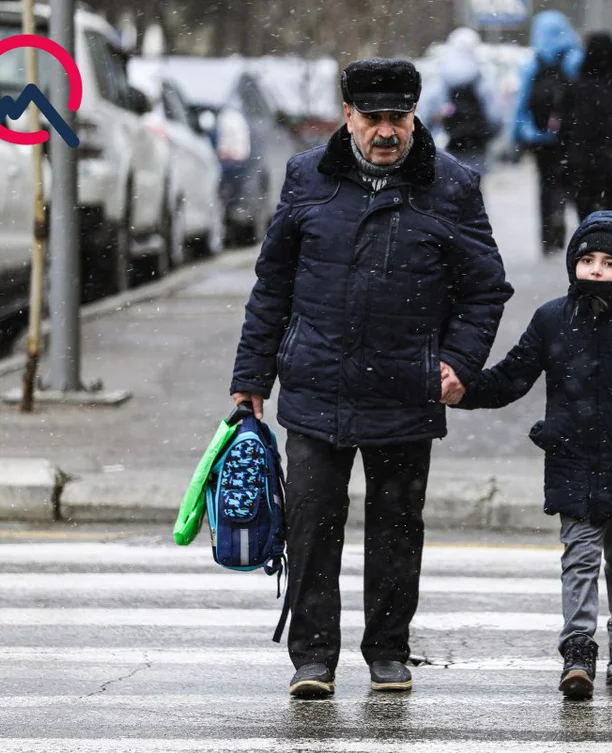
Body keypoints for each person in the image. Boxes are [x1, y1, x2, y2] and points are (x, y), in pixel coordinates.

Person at [229, 58, 513, 698]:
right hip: (314, 383)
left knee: (396, 529)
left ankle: (388, 652)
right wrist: (251, 375)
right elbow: (272, 283)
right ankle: (313, 660)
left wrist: (460, 363)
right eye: (373, 118)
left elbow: (485, 290)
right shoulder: (307, 177)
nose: (386, 132)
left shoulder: (453, 186)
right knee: (310, 526)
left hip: (404, 388)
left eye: (398, 118)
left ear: (415, 115)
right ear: (347, 117)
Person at [451, 210, 612, 699]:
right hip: (571, 461)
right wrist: (464, 389)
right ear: (573, 265)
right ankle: (578, 651)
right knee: (579, 556)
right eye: (588, 260)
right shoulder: (551, 321)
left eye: (609, 263)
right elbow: (511, 377)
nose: (597, 271)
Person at [512, 9, 583, 254]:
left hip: (541, 139)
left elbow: (520, 104)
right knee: (572, 184)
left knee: (546, 185)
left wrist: (522, 134)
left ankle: (548, 237)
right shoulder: (575, 59)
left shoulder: (532, 63)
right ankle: (568, 230)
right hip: (570, 138)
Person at [563, 31, 612, 220]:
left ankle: (589, 243)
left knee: (585, 209)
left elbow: (566, 125)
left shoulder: (578, 86)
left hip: (584, 159)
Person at [416, 27, 503, 176]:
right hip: (476, 151)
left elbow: (422, 119)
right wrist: (483, 136)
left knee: (446, 193)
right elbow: (496, 118)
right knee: (473, 192)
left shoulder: (438, 80)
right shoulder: (482, 80)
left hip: (444, 150)